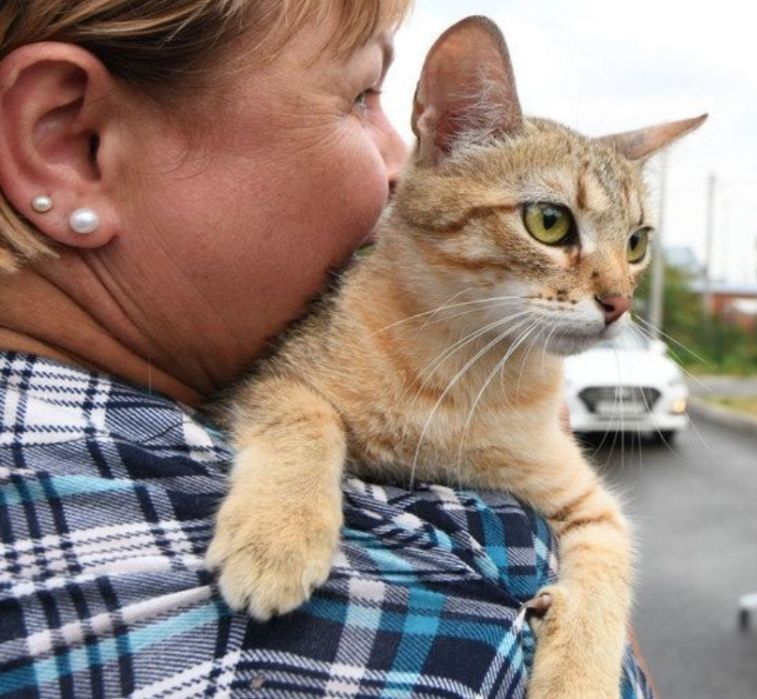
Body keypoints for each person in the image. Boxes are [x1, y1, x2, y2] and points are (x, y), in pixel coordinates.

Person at [0, 2, 654, 696]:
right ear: (71, 141)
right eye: (362, 97)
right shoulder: (467, 632)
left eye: (635, 246)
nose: (403, 163)